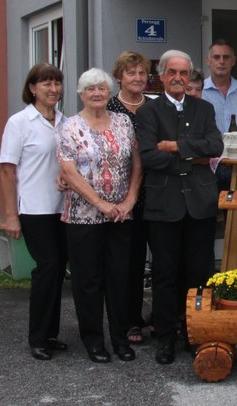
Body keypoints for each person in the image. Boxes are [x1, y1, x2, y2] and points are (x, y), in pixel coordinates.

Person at [136, 50, 224, 365]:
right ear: (161, 76)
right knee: (164, 273)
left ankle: (194, 332)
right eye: (172, 72)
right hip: (164, 204)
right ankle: (166, 337)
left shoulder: (203, 108)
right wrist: (192, 157)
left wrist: (175, 147)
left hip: (199, 204)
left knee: (198, 271)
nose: (178, 78)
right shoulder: (149, 113)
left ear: (190, 78)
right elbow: (148, 156)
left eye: (183, 73)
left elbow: (216, 146)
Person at [58, 68, 142, 363]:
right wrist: (100, 203)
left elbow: (136, 163)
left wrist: (130, 200)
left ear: (109, 92)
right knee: (88, 281)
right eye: (90, 89)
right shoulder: (70, 126)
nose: (96, 93)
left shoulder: (123, 122)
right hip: (82, 218)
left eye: (101, 88)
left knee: (119, 278)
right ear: (81, 94)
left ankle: (120, 340)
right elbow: (68, 170)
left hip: (121, 216)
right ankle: (94, 341)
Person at [0, 63, 68, 361]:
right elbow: (6, 170)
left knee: (57, 271)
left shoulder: (66, 121)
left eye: (56, 83)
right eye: (45, 84)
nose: (52, 89)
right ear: (32, 88)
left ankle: (50, 335)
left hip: (63, 209)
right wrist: (11, 215)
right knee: (48, 267)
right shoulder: (19, 122)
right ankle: (37, 337)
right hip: (34, 208)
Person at [107, 51, 151, 345]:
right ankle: (129, 320)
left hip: (157, 194)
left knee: (163, 260)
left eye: (142, 73)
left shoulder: (155, 108)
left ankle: (162, 318)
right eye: (131, 73)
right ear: (119, 77)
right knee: (129, 261)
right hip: (121, 196)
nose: (137, 78)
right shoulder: (108, 109)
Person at [202, 39, 237, 190]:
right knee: (209, 211)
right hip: (208, 165)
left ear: (233, 61)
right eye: (216, 57)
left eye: (226, 57)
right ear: (208, 60)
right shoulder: (198, 92)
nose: (221, 61)